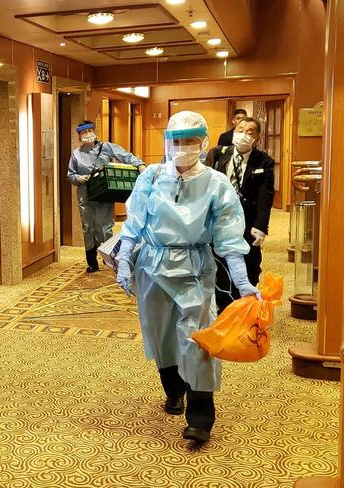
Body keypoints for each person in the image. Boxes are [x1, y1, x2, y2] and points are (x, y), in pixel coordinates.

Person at [115, 111, 260, 443]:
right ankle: (173, 389)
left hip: (194, 267)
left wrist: (242, 283)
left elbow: (229, 238)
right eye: (176, 142)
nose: (182, 148)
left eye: (190, 142)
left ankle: (201, 413)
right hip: (151, 264)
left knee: (197, 338)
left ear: (204, 143)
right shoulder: (150, 177)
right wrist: (124, 261)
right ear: (167, 143)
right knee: (160, 334)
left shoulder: (216, 183)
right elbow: (133, 223)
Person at [208, 117, 275, 312]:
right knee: (219, 264)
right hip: (219, 220)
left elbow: (266, 196)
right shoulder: (218, 154)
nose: (244, 135)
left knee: (249, 264)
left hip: (248, 222)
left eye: (250, 132)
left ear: (257, 137)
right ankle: (224, 308)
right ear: (233, 131)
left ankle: (245, 306)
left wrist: (261, 226)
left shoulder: (264, 161)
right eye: (240, 130)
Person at [67, 120, 147, 272]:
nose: (88, 134)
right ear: (79, 135)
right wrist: (78, 178)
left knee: (104, 226)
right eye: (84, 132)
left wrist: (140, 164)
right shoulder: (76, 155)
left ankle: (108, 257)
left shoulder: (106, 147)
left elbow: (126, 156)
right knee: (88, 227)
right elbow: (70, 174)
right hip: (85, 194)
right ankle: (91, 262)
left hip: (104, 192)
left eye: (90, 130)